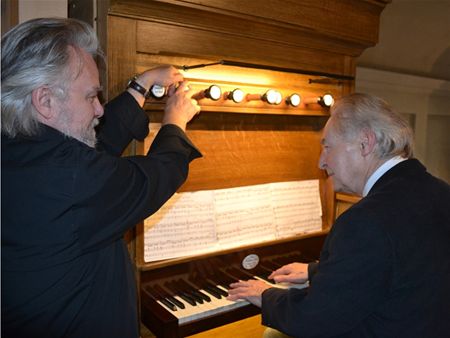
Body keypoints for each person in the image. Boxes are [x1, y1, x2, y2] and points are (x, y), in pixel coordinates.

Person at [1, 18, 202, 338]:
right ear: (45, 101)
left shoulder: (18, 149)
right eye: (90, 96)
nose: (99, 110)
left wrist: (142, 85)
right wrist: (174, 122)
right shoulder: (71, 178)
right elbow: (157, 176)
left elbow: (97, 148)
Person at [228, 93, 450, 338]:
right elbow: (402, 264)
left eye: (327, 146)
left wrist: (265, 295)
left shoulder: (365, 220)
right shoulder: (440, 191)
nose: (321, 162)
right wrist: (317, 271)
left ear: (365, 143)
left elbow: (314, 320)